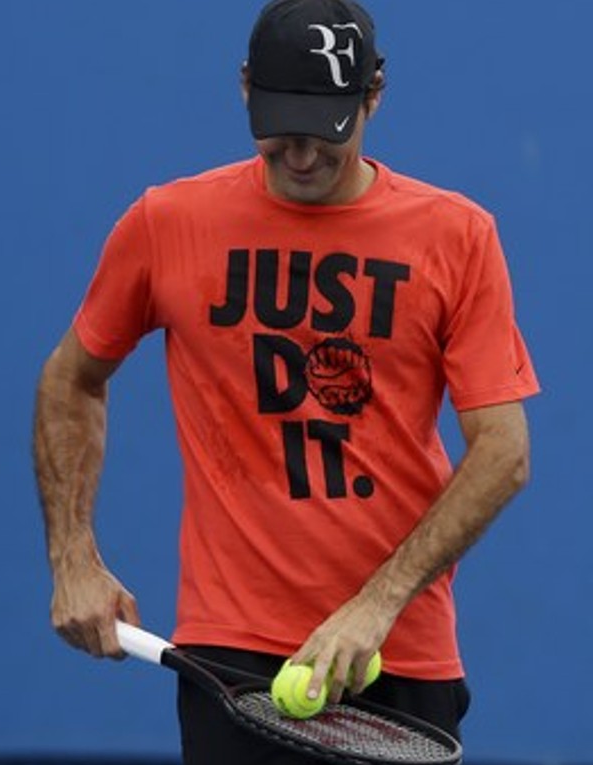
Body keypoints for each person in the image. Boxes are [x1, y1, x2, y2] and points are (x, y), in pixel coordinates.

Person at [33, 0, 537, 761]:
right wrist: (73, 556)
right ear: (243, 89)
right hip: (229, 654)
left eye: (324, 130)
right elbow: (72, 379)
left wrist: (377, 603)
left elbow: (504, 450)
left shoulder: (459, 236)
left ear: (374, 96)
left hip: (396, 655)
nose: (299, 155)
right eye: (278, 129)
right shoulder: (166, 222)